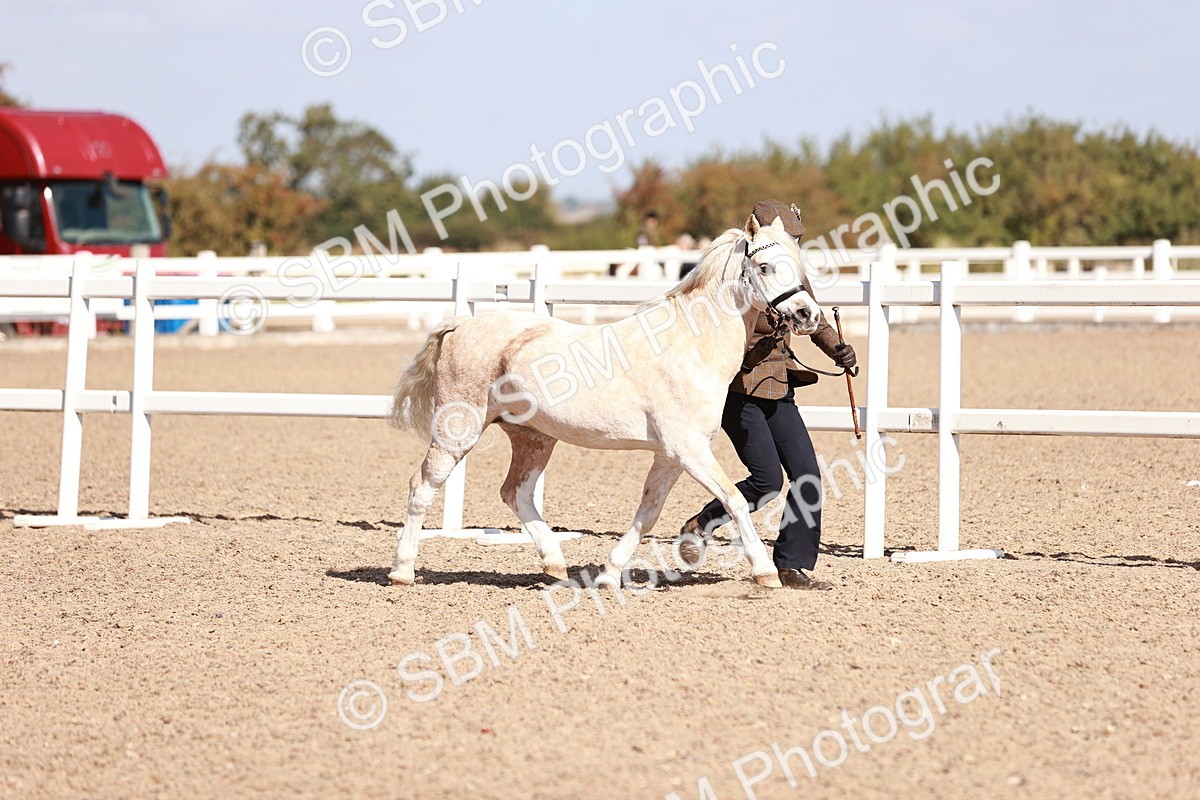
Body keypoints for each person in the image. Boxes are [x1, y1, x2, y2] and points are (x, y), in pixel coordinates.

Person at [678, 199, 856, 590]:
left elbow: (813, 315)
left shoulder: (789, 271)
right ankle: (703, 523)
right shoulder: (736, 277)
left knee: (807, 475)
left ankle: (792, 565)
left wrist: (837, 349)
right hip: (739, 390)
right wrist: (751, 350)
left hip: (779, 386)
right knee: (767, 481)